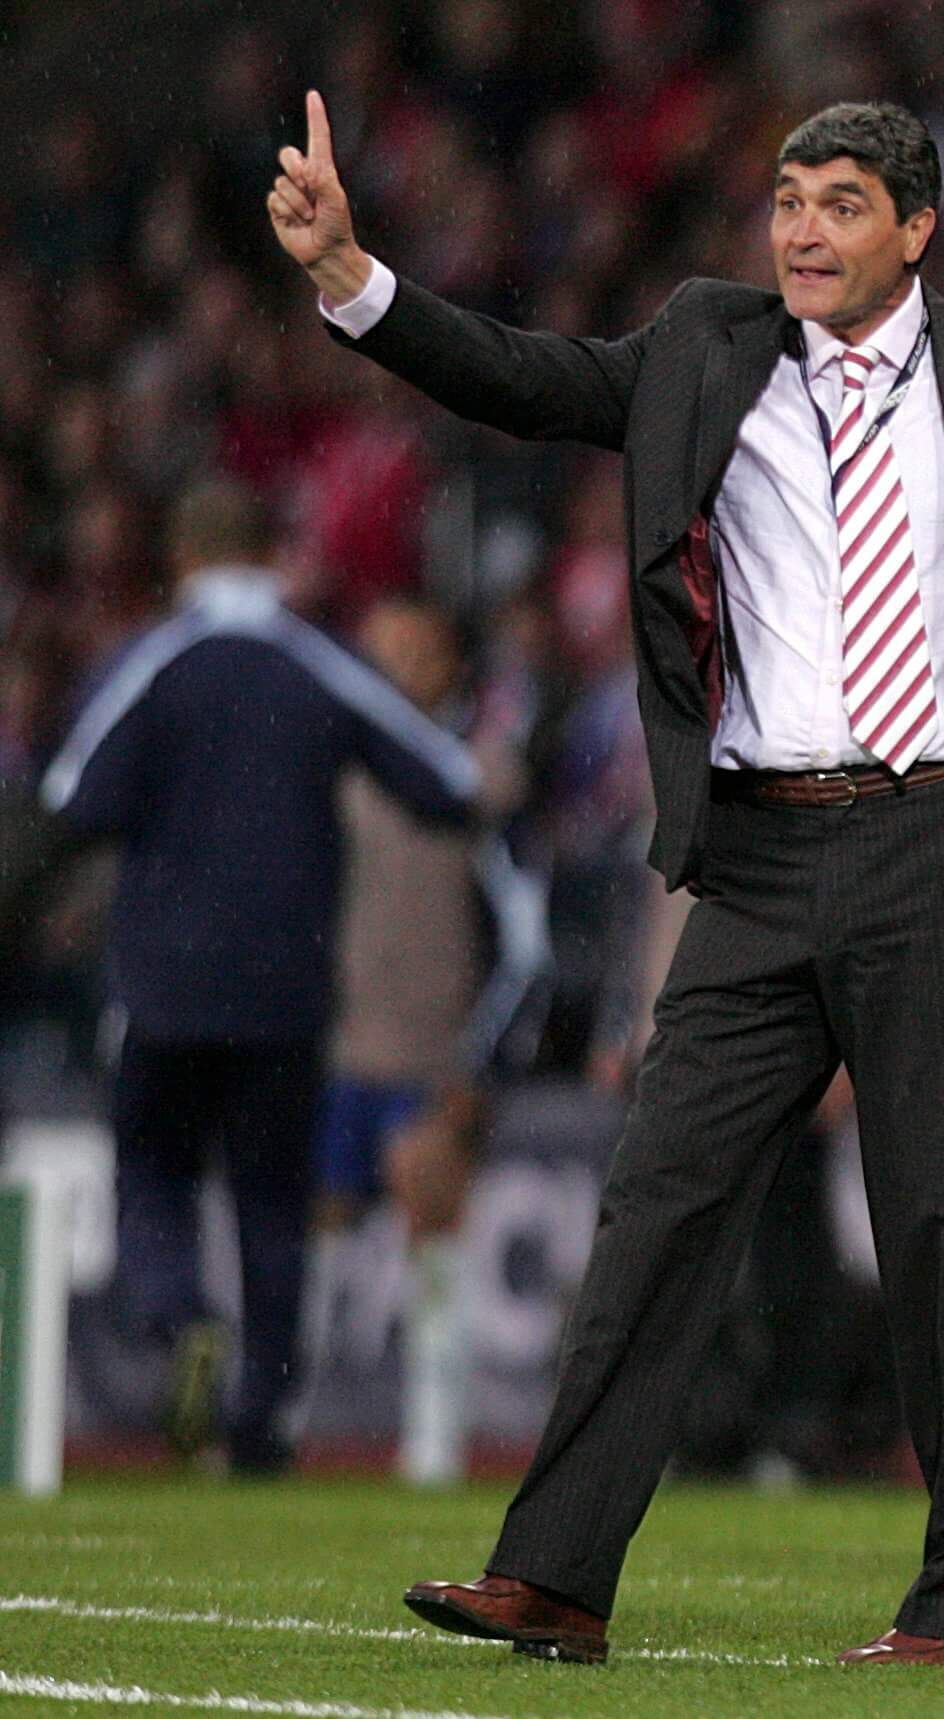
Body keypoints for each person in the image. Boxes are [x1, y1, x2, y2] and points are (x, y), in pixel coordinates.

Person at [267, 93, 944, 1666]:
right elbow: (525, 379)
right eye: (786, 201)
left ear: (915, 227)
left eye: (840, 204)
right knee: (658, 1199)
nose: (802, 232)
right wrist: (355, 274)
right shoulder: (707, 344)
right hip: (759, 851)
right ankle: (554, 1572)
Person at [39, 476, 479, 1476]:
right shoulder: (312, 664)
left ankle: (178, 1315)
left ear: (183, 560)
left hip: (163, 988)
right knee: (273, 1205)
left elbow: (70, 797)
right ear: (267, 556)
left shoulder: (155, 664)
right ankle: (262, 1425)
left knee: (152, 1170)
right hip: (286, 987)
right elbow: (442, 779)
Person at [310, 593, 549, 1487]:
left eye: (408, 654)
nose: (388, 673)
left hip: (430, 1053)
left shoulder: (482, 782)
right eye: (377, 654)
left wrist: (479, 1061)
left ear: (449, 667)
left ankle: (433, 1439)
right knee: (311, 1241)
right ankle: (276, 1436)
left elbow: (528, 943)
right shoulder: (335, 778)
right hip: (338, 1051)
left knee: (432, 1241)